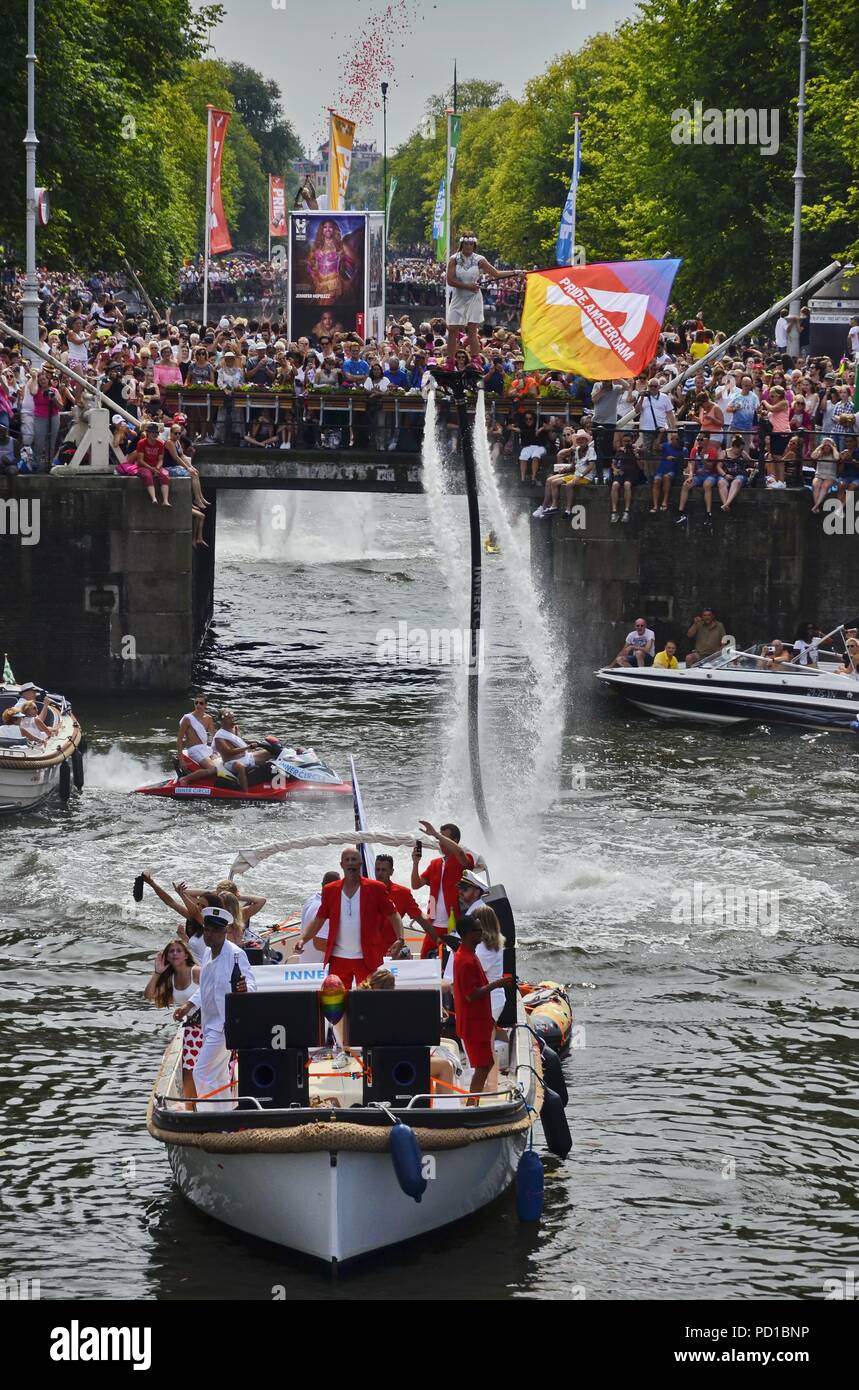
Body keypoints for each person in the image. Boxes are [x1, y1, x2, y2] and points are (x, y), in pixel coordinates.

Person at [174, 906, 257, 1112]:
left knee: (201, 1072)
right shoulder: (209, 953)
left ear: (224, 932)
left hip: (224, 1025)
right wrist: (188, 1006)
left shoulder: (235, 954)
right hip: (209, 1023)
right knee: (218, 1075)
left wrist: (244, 987)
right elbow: (206, 987)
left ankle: (208, 1117)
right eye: (206, 930)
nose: (208, 934)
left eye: (213, 931)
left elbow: (252, 984)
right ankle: (226, 1117)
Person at [294, 846, 405, 988]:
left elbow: (393, 914)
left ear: (360, 864)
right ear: (342, 865)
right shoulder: (330, 890)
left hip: (366, 958)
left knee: (367, 1001)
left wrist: (400, 938)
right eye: (347, 860)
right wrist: (303, 939)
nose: (351, 863)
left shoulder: (375, 888)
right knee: (337, 1002)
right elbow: (318, 920)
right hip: (338, 958)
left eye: (354, 860)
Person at [451, 915, 511, 1104]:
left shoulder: (469, 954)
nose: (482, 933)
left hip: (480, 1020)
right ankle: (471, 1103)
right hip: (473, 1024)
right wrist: (497, 984)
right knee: (483, 1065)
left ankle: (473, 1101)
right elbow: (471, 995)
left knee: (487, 1063)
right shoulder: (465, 960)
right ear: (468, 934)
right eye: (477, 930)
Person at [445, 234, 518, 364]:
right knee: (452, 329)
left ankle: (475, 360)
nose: (468, 247)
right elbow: (450, 280)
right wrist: (467, 286)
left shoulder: (479, 259)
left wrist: (515, 272)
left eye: (471, 244)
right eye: (466, 244)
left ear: (474, 245)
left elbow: (496, 273)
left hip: (473, 297)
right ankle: (450, 361)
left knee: (472, 329)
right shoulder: (454, 259)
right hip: (459, 295)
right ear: (462, 245)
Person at [143, 939, 201, 1101]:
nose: (175, 954)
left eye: (178, 950)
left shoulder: (196, 972)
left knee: (201, 1068)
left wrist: (187, 1006)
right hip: (192, 1027)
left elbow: (210, 989)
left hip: (209, 1023)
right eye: (171, 951)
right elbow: (149, 995)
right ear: (167, 957)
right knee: (188, 1068)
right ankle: (192, 1107)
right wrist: (157, 972)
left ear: (185, 955)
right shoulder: (171, 979)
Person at [411, 820, 474, 958]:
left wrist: (435, 834)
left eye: (443, 838)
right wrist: (415, 863)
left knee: (450, 967)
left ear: (455, 840)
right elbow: (415, 885)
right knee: (425, 961)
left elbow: (459, 853)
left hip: (454, 925)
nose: (439, 842)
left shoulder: (464, 859)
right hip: (432, 924)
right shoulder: (435, 864)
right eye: (439, 838)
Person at [373, 853, 436, 956]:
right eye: (377, 869)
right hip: (370, 951)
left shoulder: (402, 893)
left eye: (383, 870)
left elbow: (419, 918)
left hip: (392, 950)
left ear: (391, 872)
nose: (379, 873)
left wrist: (437, 939)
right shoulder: (366, 890)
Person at [213, 710, 272, 792]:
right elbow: (229, 752)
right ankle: (245, 792)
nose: (232, 720)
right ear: (222, 721)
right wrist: (247, 747)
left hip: (245, 756)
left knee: (269, 753)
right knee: (239, 766)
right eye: (229, 719)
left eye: (233, 718)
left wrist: (256, 743)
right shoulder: (219, 737)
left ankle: (274, 780)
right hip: (231, 762)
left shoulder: (236, 728)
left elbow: (240, 742)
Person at [296, 870, 341, 963]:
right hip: (317, 969)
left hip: (306, 964)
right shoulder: (326, 908)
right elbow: (319, 943)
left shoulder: (312, 899)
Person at [176, 694, 217, 786]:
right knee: (212, 769)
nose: (198, 705)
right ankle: (185, 779)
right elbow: (179, 739)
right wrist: (181, 759)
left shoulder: (208, 718)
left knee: (224, 761)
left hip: (205, 748)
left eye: (201, 703)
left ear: (206, 705)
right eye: (196, 703)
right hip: (194, 750)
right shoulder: (187, 719)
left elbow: (215, 736)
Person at [651, 432, 686, 512]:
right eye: (676, 439)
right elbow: (656, 447)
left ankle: (665, 501)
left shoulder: (684, 449)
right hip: (662, 470)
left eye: (679, 439)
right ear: (672, 440)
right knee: (656, 481)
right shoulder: (666, 445)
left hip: (673, 471)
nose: (678, 441)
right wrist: (660, 435)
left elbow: (685, 464)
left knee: (666, 477)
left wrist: (675, 459)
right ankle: (655, 505)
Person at [610, 441, 644, 523]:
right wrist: (615, 470)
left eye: (629, 442)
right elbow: (613, 463)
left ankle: (626, 510)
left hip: (632, 474)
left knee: (627, 485)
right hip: (621, 473)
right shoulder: (620, 451)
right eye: (625, 441)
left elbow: (641, 467)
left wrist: (636, 455)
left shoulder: (637, 451)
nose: (627, 444)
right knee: (615, 485)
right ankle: (614, 511)